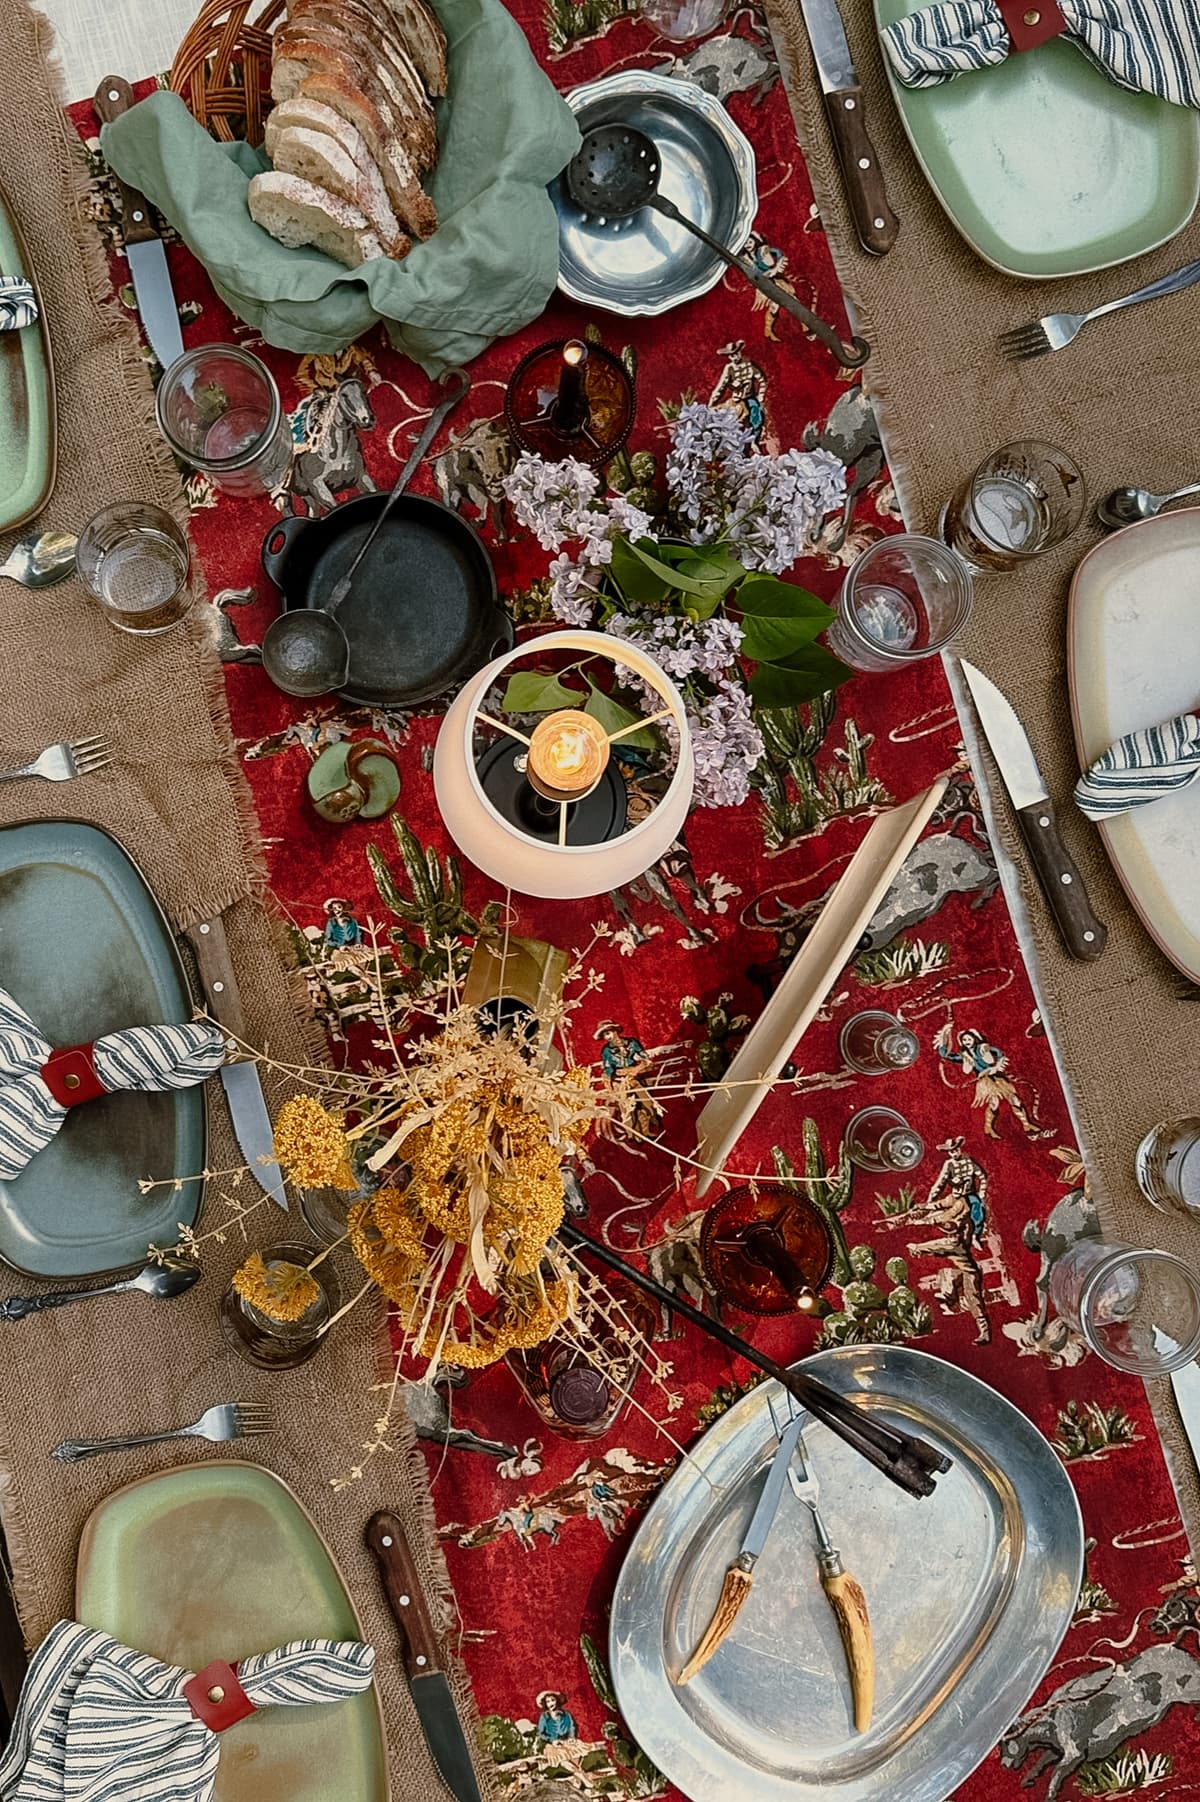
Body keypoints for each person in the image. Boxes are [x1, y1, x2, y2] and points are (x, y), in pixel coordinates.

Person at [936, 1026, 1049, 1141]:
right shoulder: (964, 1056)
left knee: (1014, 1099)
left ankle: (1026, 1124)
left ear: (975, 1039)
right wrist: (945, 1033)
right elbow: (945, 1055)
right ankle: (988, 1128)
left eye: (969, 1039)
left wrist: (996, 1066)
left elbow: (999, 1054)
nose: (967, 1042)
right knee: (994, 1103)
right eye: (964, 1040)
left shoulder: (984, 1048)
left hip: (998, 1077)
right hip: (985, 1082)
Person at [596, 1022, 664, 1140]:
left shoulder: (632, 1043)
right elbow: (608, 1070)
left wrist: (636, 1068)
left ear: (615, 1031)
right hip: (619, 1082)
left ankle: (650, 1128)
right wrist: (611, 1087)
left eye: (608, 1033)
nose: (607, 1038)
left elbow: (646, 1059)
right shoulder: (606, 1051)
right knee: (627, 1110)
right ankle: (633, 1135)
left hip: (633, 1078)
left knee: (647, 1102)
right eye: (604, 1036)